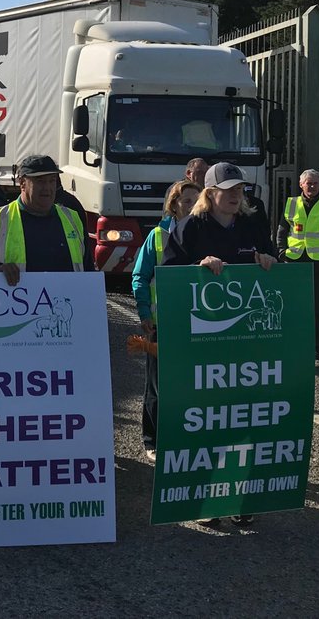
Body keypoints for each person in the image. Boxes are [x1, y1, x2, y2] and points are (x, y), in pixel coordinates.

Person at [163, 162, 275, 527]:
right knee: (206, 422)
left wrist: (268, 260)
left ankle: (241, 498)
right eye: (227, 190)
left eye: (239, 189)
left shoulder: (252, 224)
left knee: (243, 421)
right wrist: (197, 265)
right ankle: (204, 499)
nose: (235, 195)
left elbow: (273, 261)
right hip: (203, 345)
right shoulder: (190, 228)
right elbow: (168, 276)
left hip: (244, 347)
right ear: (210, 193)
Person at [131, 180, 200, 460]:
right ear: (174, 206)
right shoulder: (157, 236)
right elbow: (140, 276)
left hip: (195, 324)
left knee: (191, 383)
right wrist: (144, 313)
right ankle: (152, 440)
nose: (193, 206)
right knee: (157, 386)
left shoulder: (204, 234)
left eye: (197, 201)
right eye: (187, 201)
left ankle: (184, 435)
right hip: (162, 324)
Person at [0, 154, 94, 281]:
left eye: (52, 181)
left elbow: (88, 270)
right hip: (17, 301)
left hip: (66, 300)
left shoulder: (71, 219)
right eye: (40, 181)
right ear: (22, 183)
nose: (47, 188)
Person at [276, 169, 319, 361]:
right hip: (295, 261)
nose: (312, 186)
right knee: (296, 306)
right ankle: (299, 345)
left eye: (315, 183)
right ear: (301, 184)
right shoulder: (291, 203)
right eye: (308, 183)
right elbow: (282, 229)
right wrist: (281, 251)